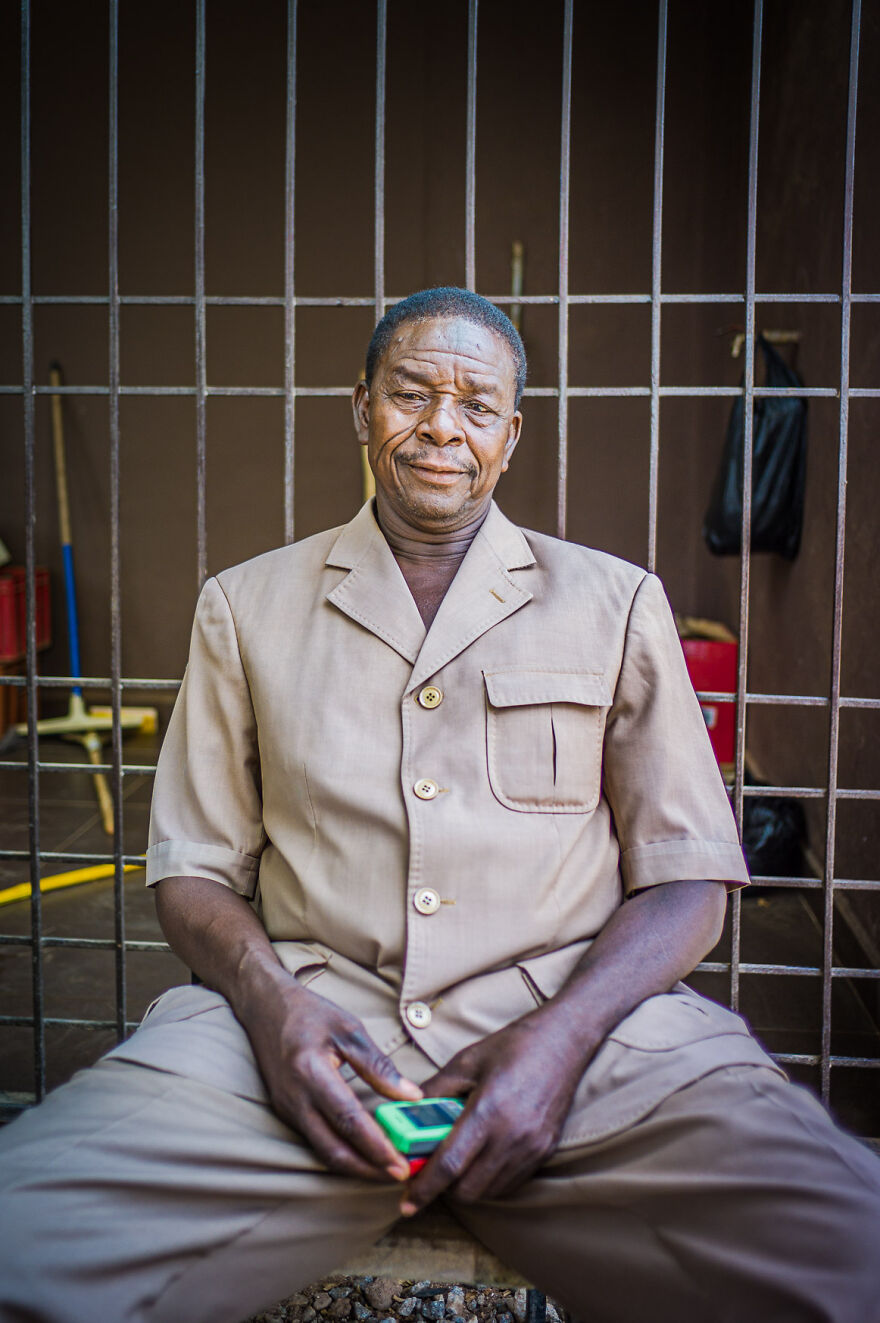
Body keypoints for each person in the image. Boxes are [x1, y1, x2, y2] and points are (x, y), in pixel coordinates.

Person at [0, 287, 878, 1323]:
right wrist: (272, 1004)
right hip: (296, 1038)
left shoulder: (612, 602)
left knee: (845, 1253)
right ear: (360, 407)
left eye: (474, 404)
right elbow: (192, 869)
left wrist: (562, 1038)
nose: (440, 427)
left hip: (591, 1037)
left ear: (510, 435)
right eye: (411, 392)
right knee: (28, 1229)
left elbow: (686, 880)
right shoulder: (245, 605)